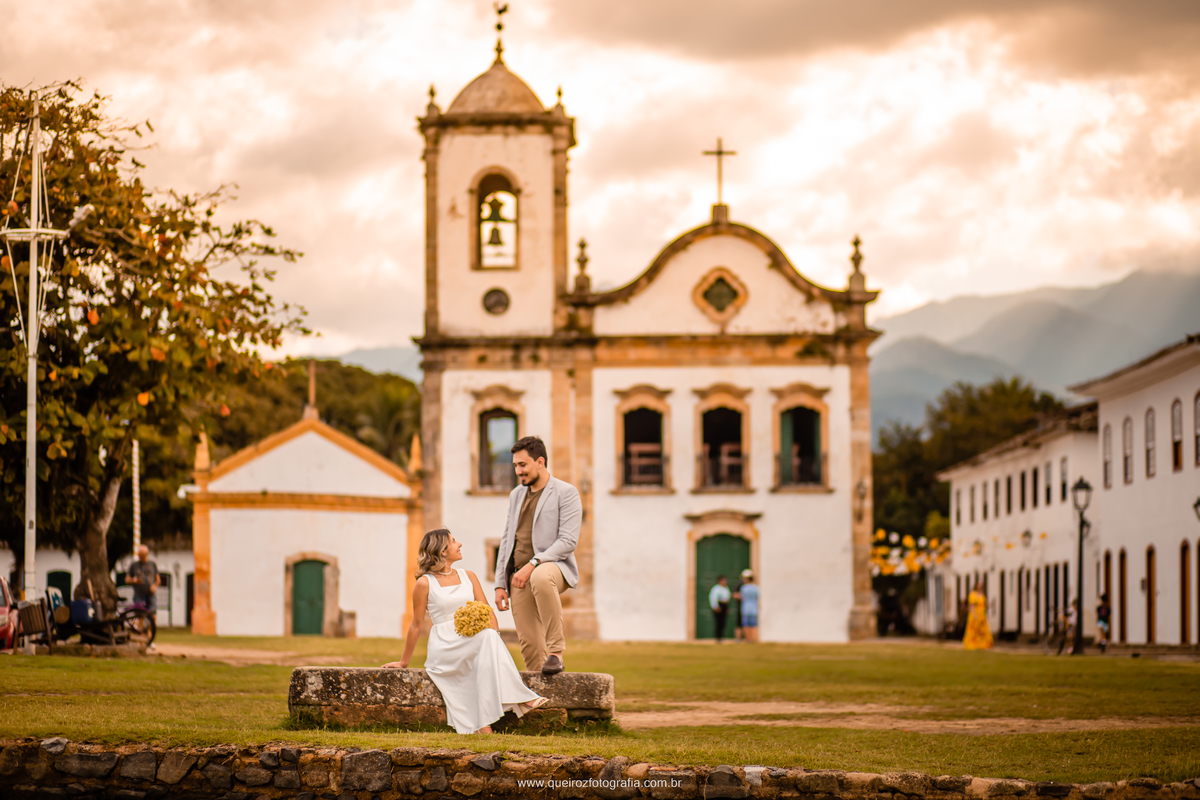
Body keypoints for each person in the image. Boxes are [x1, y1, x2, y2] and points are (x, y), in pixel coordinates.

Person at [385, 528, 547, 734]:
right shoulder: (424, 583)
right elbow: (416, 624)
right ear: (442, 551)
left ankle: (483, 724)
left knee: (489, 636)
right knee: (487, 639)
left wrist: (494, 642)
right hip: (445, 645)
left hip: (472, 639)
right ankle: (521, 699)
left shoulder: (469, 576)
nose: (459, 544)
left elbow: (487, 612)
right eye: (454, 541)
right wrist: (403, 662)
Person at [493, 436, 581, 675]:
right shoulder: (515, 496)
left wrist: (534, 563)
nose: (518, 471)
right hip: (518, 575)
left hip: (554, 567)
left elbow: (568, 541)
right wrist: (500, 583)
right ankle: (541, 703)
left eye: (523, 465)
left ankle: (556, 652)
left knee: (541, 576)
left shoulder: (567, 492)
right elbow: (507, 540)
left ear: (540, 461)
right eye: (515, 466)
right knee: (530, 646)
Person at [126, 545, 160, 614]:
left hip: (151, 595)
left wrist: (154, 586)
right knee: (140, 615)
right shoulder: (134, 565)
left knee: (152, 615)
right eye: (140, 555)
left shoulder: (152, 564)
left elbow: (158, 580)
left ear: (147, 554)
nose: (141, 557)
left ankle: (152, 625)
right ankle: (141, 625)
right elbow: (127, 580)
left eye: (143, 555)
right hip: (139, 595)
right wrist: (133, 580)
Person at [961, 581, 993, 650]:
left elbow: (983, 605)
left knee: (983, 630)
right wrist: (974, 615)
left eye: (981, 586)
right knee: (973, 630)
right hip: (975, 615)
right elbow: (972, 606)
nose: (980, 587)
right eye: (978, 585)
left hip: (982, 615)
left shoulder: (982, 595)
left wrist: (988, 606)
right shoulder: (972, 595)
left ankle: (983, 644)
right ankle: (972, 644)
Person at [736, 571, 760, 643]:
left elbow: (741, 597)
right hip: (754, 608)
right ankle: (753, 639)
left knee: (746, 624)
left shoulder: (744, 588)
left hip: (745, 608)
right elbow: (758, 597)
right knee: (753, 625)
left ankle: (748, 639)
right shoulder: (756, 588)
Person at [709, 575, 731, 643]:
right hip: (719, 605)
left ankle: (721, 636)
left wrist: (727, 607)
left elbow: (727, 598)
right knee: (718, 622)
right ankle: (718, 637)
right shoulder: (716, 588)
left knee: (723, 622)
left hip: (724, 605)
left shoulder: (726, 588)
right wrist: (715, 606)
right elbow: (713, 597)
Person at [733, 569, 751, 641]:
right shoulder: (740, 585)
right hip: (740, 607)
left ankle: (747, 638)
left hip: (748, 608)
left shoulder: (751, 586)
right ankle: (738, 638)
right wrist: (742, 596)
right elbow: (734, 595)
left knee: (748, 623)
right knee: (739, 623)